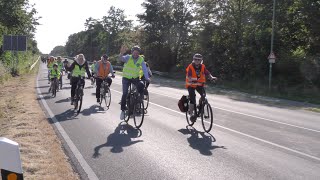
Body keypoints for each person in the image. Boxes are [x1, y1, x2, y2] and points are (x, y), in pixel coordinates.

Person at [119, 45, 150, 120]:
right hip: (126, 78)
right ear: (132, 52)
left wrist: (147, 78)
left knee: (141, 85)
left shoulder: (141, 59)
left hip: (134, 78)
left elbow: (144, 69)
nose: (136, 54)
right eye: (134, 52)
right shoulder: (128, 57)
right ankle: (123, 110)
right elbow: (121, 59)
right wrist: (121, 53)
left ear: (139, 53)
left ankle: (139, 99)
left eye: (137, 53)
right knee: (125, 93)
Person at [186, 53, 217, 122]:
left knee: (203, 96)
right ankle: (191, 114)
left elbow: (207, 73)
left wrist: (211, 77)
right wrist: (192, 80)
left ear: (201, 61)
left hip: (199, 85)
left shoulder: (202, 66)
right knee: (193, 99)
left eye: (198, 60)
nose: (197, 61)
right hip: (191, 85)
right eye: (195, 59)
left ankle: (199, 106)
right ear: (193, 60)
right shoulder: (190, 67)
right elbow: (189, 76)